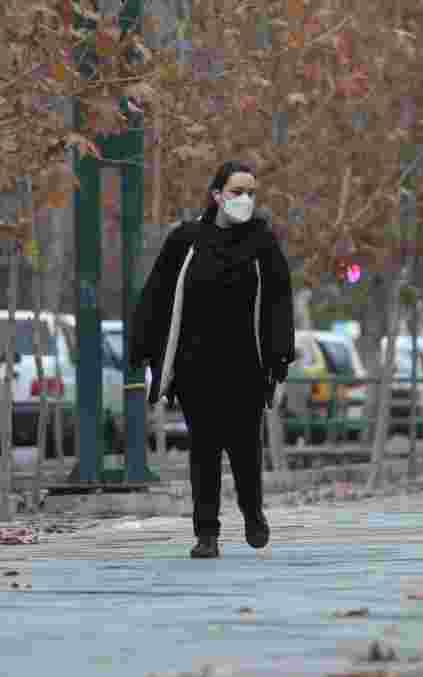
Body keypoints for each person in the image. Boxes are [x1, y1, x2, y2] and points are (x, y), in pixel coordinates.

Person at [129, 161, 296, 559]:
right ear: (217, 194)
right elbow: (157, 294)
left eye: (252, 193)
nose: (246, 200)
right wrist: (143, 345)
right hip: (195, 365)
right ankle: (207, 533)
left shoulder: (262, 243)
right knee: (203, 448)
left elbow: (278, 301)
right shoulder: (186, 240)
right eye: (237, 191)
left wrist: (278, 355)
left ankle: (253, 513)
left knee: (243, 447)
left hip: (245, 365)